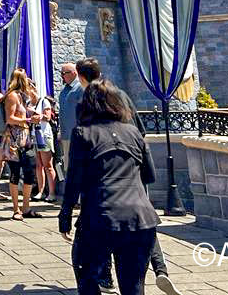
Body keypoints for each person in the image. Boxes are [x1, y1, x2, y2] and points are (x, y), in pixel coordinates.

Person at [75, 58, 179, 295]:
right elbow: (141, 131)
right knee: (141, 217)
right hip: (134, 172)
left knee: (97, 245)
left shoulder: (88, 102)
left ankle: (105, 277)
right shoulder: (121, 94)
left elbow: (79, 169)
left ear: (82, 77)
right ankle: (160, 269)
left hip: (106, 189)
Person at [59, 79, 160, 295]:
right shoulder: (133, 132)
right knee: (133, 287)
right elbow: (149, 175)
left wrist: (65, 214)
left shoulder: (82, 133)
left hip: (100, 216)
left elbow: (74, 180)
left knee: (86, 275)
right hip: (140, 217)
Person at [1, 68, 41, 220]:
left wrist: (37, 114)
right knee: (15, 173)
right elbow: (10, 119)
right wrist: (28, 120)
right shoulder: (11, 96)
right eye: (26, 78)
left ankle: (26, 207)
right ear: (21, 80)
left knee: (30, 172)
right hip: (14, 139)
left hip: (26, 138)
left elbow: (29, 108)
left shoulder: (22, 96)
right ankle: (16, 209)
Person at [29, 81, 56, 201]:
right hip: (34, 135)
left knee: (48, 165)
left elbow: (48, 117)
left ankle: (52, 193)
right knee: (38, 165)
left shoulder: (43, 101)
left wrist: (38, 116)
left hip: (44, 135)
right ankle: (40, 191)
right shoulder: (29, 103)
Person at [57, 63, 83, 168]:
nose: (62, 76)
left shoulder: (80, 88)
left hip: (77, 136)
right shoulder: (64, 90)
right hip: (65, 135)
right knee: (68, 167)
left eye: (64, 73)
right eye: (61, 73)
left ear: (74, 73)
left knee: (78, 167)